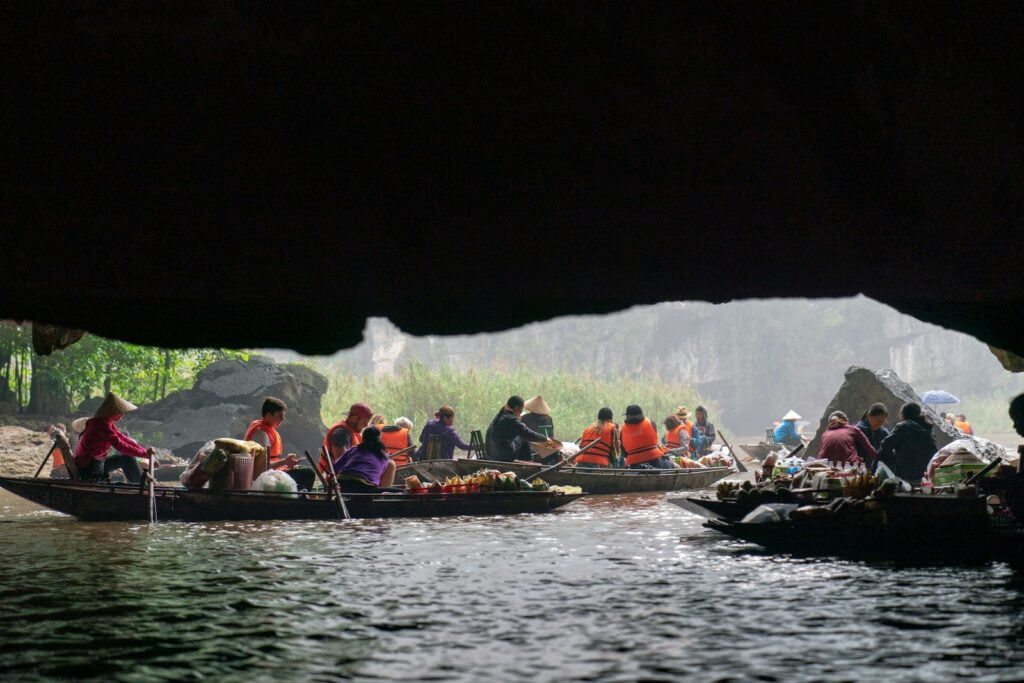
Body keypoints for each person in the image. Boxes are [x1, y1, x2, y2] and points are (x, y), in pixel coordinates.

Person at [73, 392, 155, 483]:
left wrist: (145, 452)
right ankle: (141, 488)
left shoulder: (107, 423)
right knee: (127, 459)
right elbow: (120, 445)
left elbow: (123, 438)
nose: (122, 415)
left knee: (127, 458)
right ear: (112, 412)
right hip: (89, 467)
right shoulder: (100, 424)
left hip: (96, 464)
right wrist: (145, 454)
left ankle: (140, 487)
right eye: (120, 413)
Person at [877, 402, 938, 484]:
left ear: (903, 414)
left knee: (881, 454)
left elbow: (885, 445)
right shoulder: (927, 428)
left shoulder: (903, 427)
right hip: (924, 473)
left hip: (905, 473)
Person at [485, 395, 558, 462]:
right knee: (523, 438)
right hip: (501, 455)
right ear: (516, 407)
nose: (521, 412)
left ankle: (527, 460)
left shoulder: (503, 414)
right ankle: (528, 462)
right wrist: (545, 438)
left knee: (521, 437)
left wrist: (520, 426)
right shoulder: (511, 419)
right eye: (521, 409)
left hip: (492, 451)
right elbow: (529, 434)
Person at [332, 426, 397, 493]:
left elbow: (335, 467)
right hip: (364, 487)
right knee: (391, 464)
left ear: (362, 439)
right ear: (379, 439)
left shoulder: (353, 450)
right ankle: (380, 496)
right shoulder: (382, 456)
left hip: (341, 484)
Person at [243, 397, 301, 470]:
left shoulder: (262, 426)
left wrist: (286, 464)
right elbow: (262, 467)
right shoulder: (262, 435)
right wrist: (285, 461)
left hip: (274, 470)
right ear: (269, 415)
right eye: (280, 416)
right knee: (308, 473)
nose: (282, 419)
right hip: (266, 475)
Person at [621, 404, 678, 469]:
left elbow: (624, 453)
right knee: (676, 466)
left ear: (628, 416)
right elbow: (655, 442)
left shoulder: (622, 430)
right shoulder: (651, 423)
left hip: (635, 464)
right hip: (654, 460)